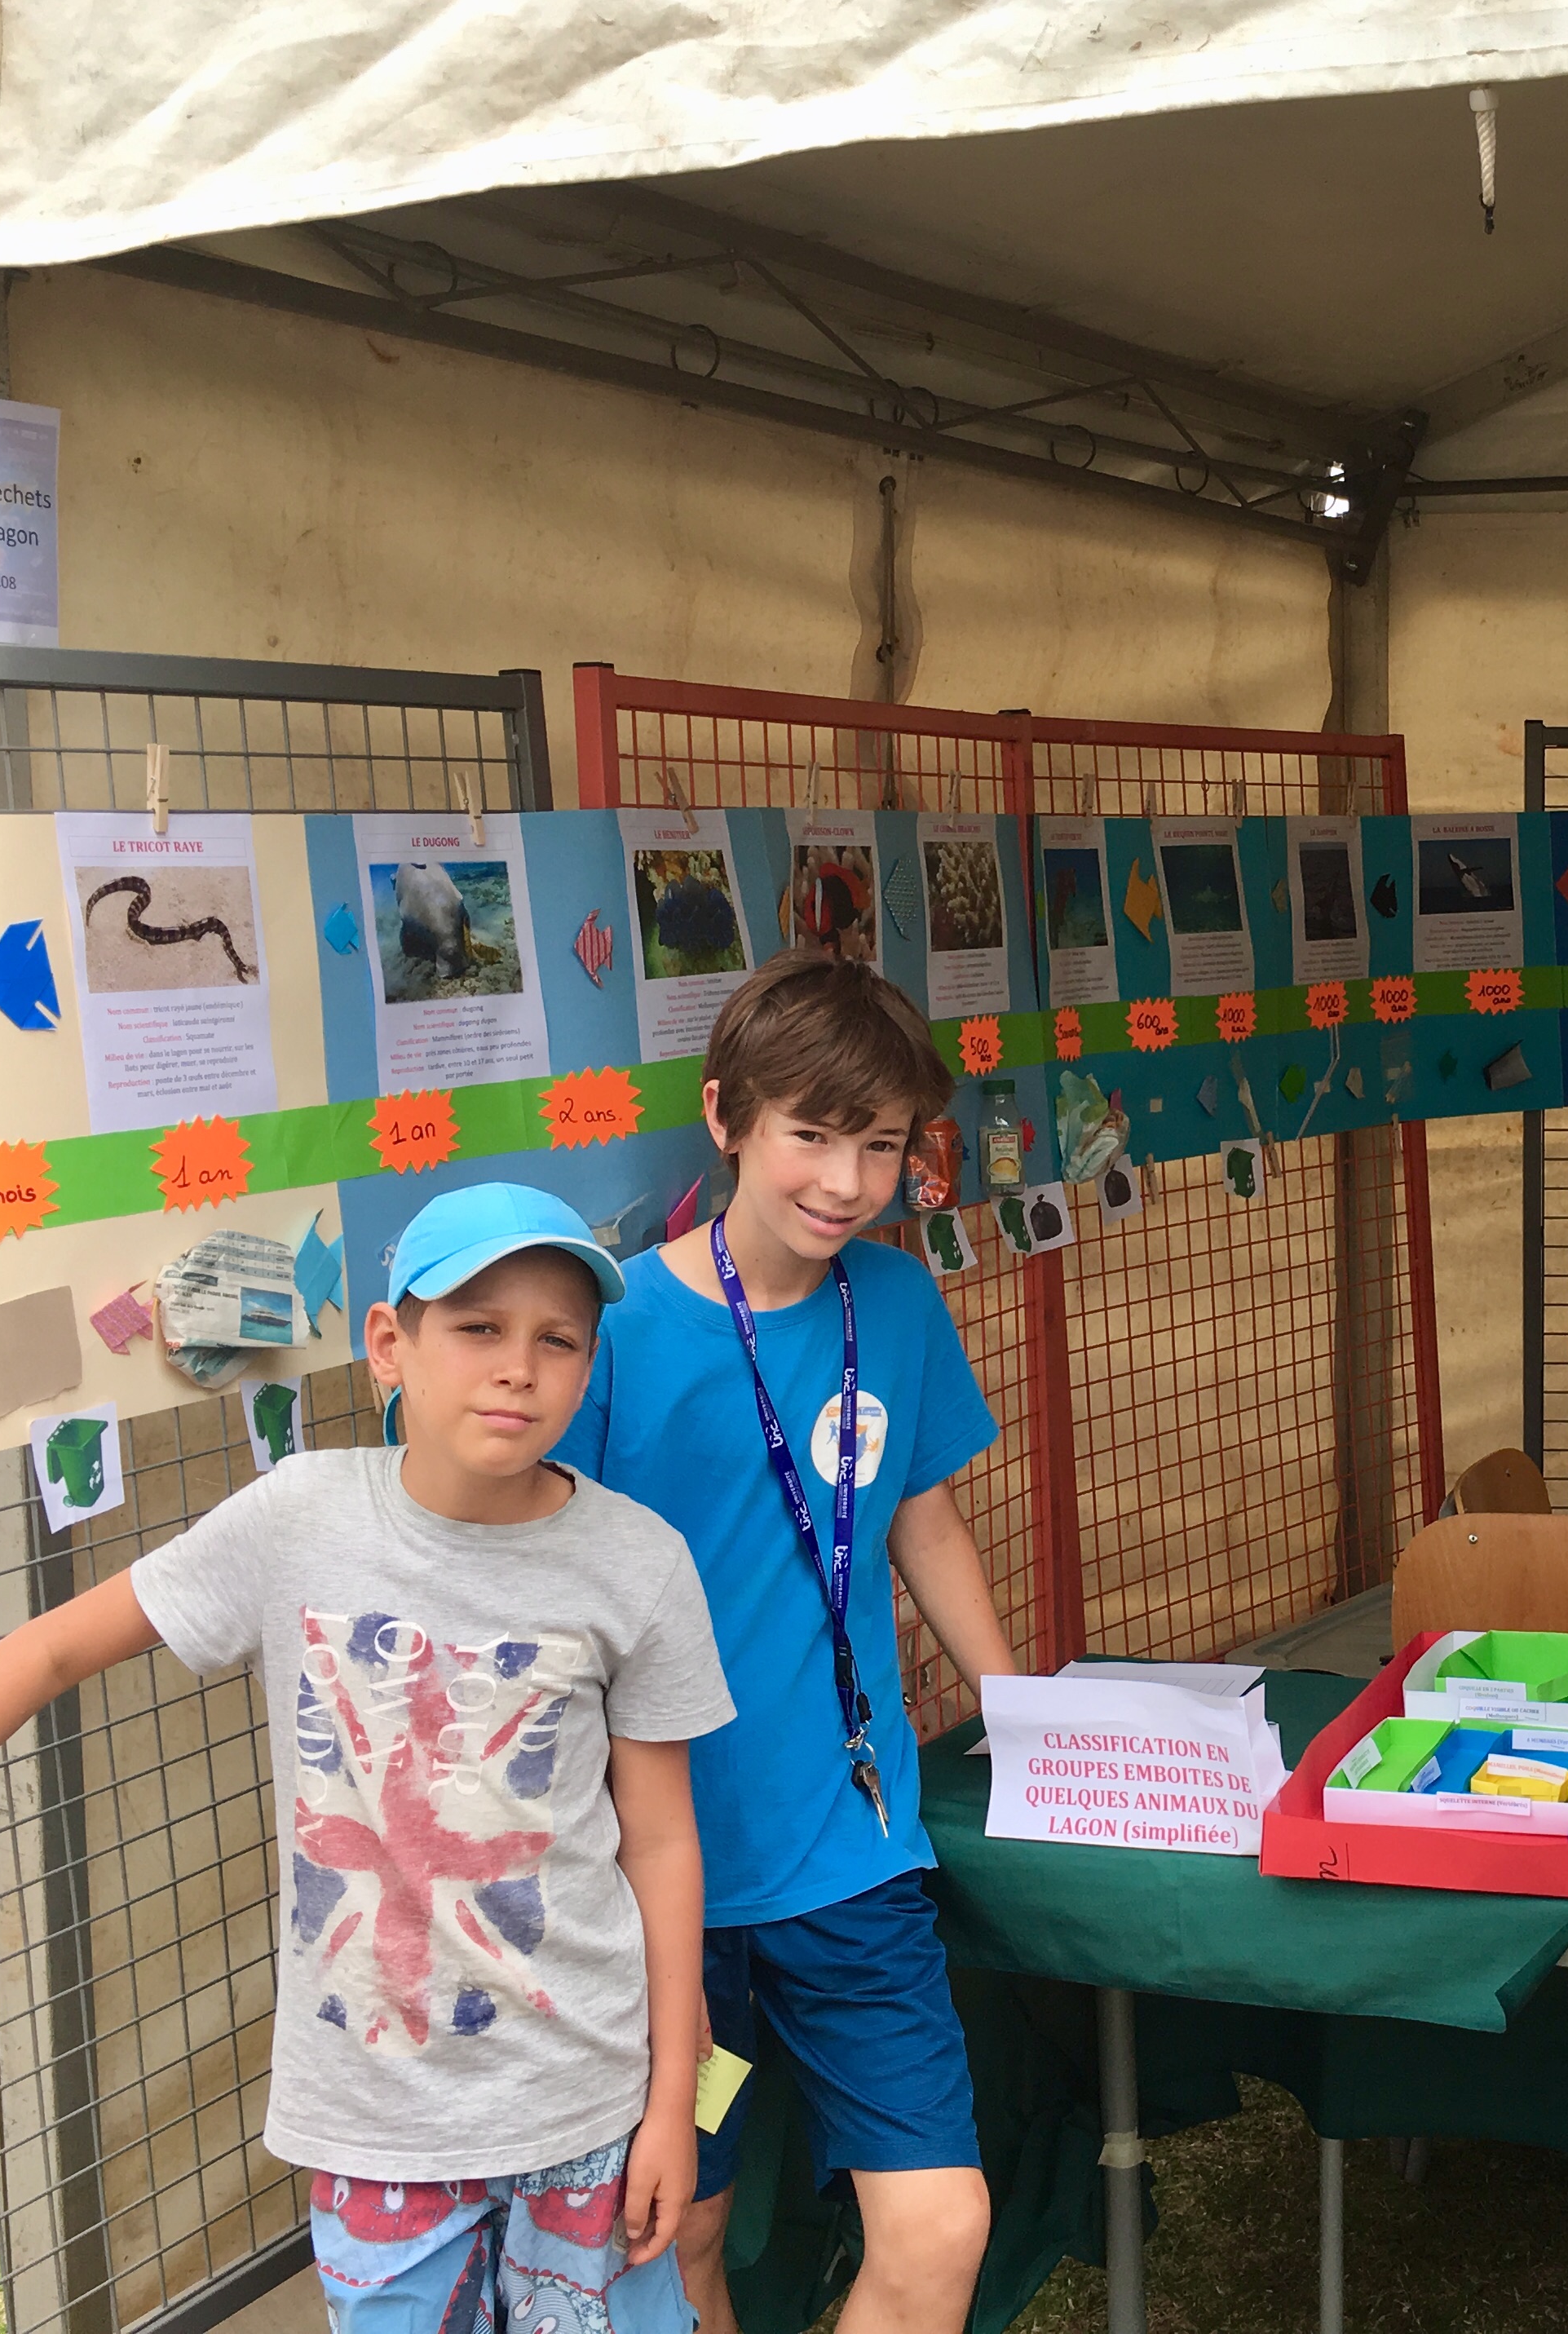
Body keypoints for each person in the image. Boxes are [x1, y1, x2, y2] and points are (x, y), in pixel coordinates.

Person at [0, 1183, 731, 2332]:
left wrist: (669, 2101)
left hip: (584, 2106)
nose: (518, 1369)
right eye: (478, 1327)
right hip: (374, 2125)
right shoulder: (299, 1518)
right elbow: (45, 1652)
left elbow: (663, 1845)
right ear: (390, 1343)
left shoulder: (639, 1562)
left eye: (558, 1340)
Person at [559, 948, 1014, 2334]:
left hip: (849, 1854)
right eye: (812, 1134)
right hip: (652, 1884)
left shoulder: (899, 1302)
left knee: (941, 2225)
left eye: (880, 1145)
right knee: (679, 2234)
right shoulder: (613, 1331)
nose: (846, 1180)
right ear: (725, 1116)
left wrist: (1019, 1708)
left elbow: (919, 1516)